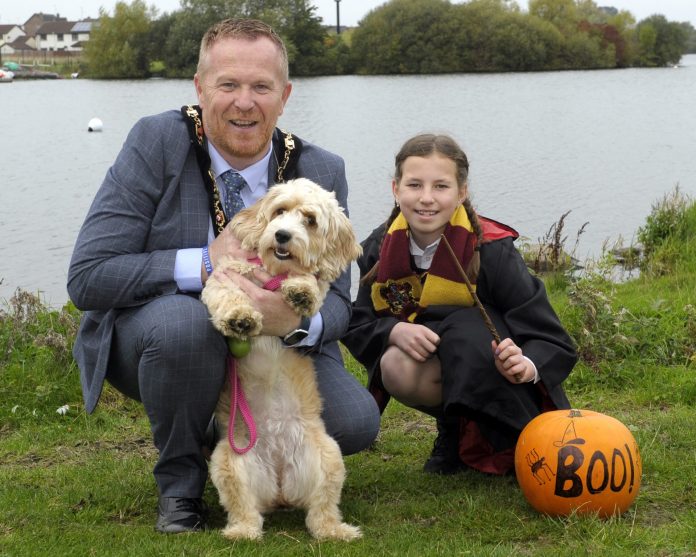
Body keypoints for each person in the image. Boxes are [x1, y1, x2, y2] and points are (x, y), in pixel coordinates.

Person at [67, 18, 380, 534]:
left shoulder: (321, 168)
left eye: (261, 87)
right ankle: (180, 486)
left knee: (354, 421)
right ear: (199, 87)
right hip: (161, 339)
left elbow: (341, 301)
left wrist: (295, 322)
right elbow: (88, 276)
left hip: (277, 357)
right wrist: (205, 264)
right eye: (228, 85)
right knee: (184, 328)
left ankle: (227, 441)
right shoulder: (156, 140)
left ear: (285, 95)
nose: (244, 102)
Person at [341, 134, 577, 476]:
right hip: (439, 363)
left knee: (464, 332)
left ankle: (512, 440)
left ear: (461, 192)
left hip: (494, 369)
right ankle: (453, 431)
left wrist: (526, 363)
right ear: (396, 189)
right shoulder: (380, 248)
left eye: (440, 186)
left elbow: (551, 337)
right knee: (396, 365)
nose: (426, 199)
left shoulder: (491, 250)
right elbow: (357, 321)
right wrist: (394, 330)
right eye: (414, 185)